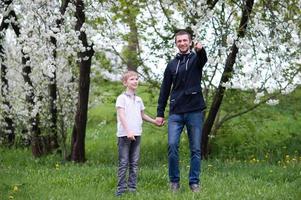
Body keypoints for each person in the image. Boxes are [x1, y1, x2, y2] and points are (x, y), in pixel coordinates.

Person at [156, 30, 208, 192]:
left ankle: (194, 183)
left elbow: (203, 59)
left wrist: (201, 50)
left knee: (196, 149)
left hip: (194, 110)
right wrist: (159, 113)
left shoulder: (196, 59)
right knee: (172, 145)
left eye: (185, 40)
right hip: (176, 112)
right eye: (179, 41)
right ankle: (174, 182)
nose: (182, 43)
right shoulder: (171, 65)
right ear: (176, 43)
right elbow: (165, 89)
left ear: (190, 42)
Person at [115, 70, 160, 196]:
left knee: (134, 163)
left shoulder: (139, 99)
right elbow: (122, 116)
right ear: (125, 83)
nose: (135, 81)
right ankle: (121, 190)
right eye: (132, 79)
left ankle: (132, 189)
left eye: (136, 79)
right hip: (124, 135)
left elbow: (142, 115)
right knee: (124, 163)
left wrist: (154, 121)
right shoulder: (121, 98)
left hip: (137, 133)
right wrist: (128, 131)